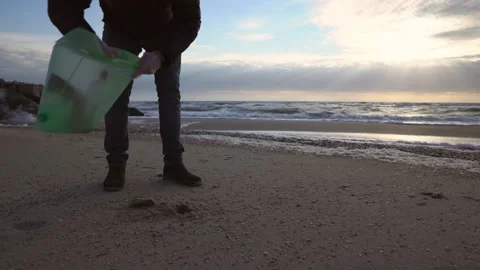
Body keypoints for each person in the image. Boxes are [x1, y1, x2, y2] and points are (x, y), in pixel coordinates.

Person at [47, 0, 203, 191]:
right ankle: (116, 164)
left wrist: (162, 54)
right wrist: (91, 43)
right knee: (115, 95)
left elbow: (190, 20)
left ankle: (173, 163)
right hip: (118, 29)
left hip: (166, 30)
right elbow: (61, 7)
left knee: (170, 94)